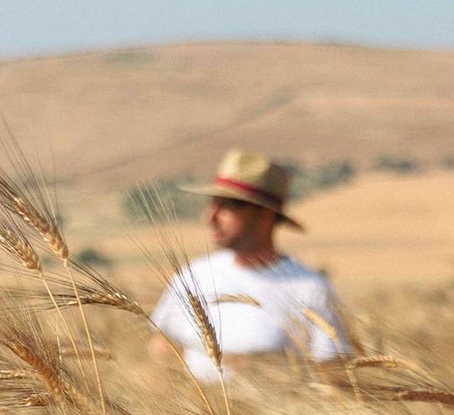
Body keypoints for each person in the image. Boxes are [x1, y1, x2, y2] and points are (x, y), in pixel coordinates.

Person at [150, 150, 350, 381]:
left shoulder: (309, 287)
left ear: (265, 215)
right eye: (212, 204)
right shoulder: (194, 273)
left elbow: (333, 372)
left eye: (227, 205)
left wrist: (257, 374)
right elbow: (161, 343)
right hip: (191, 412)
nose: (211, 217)